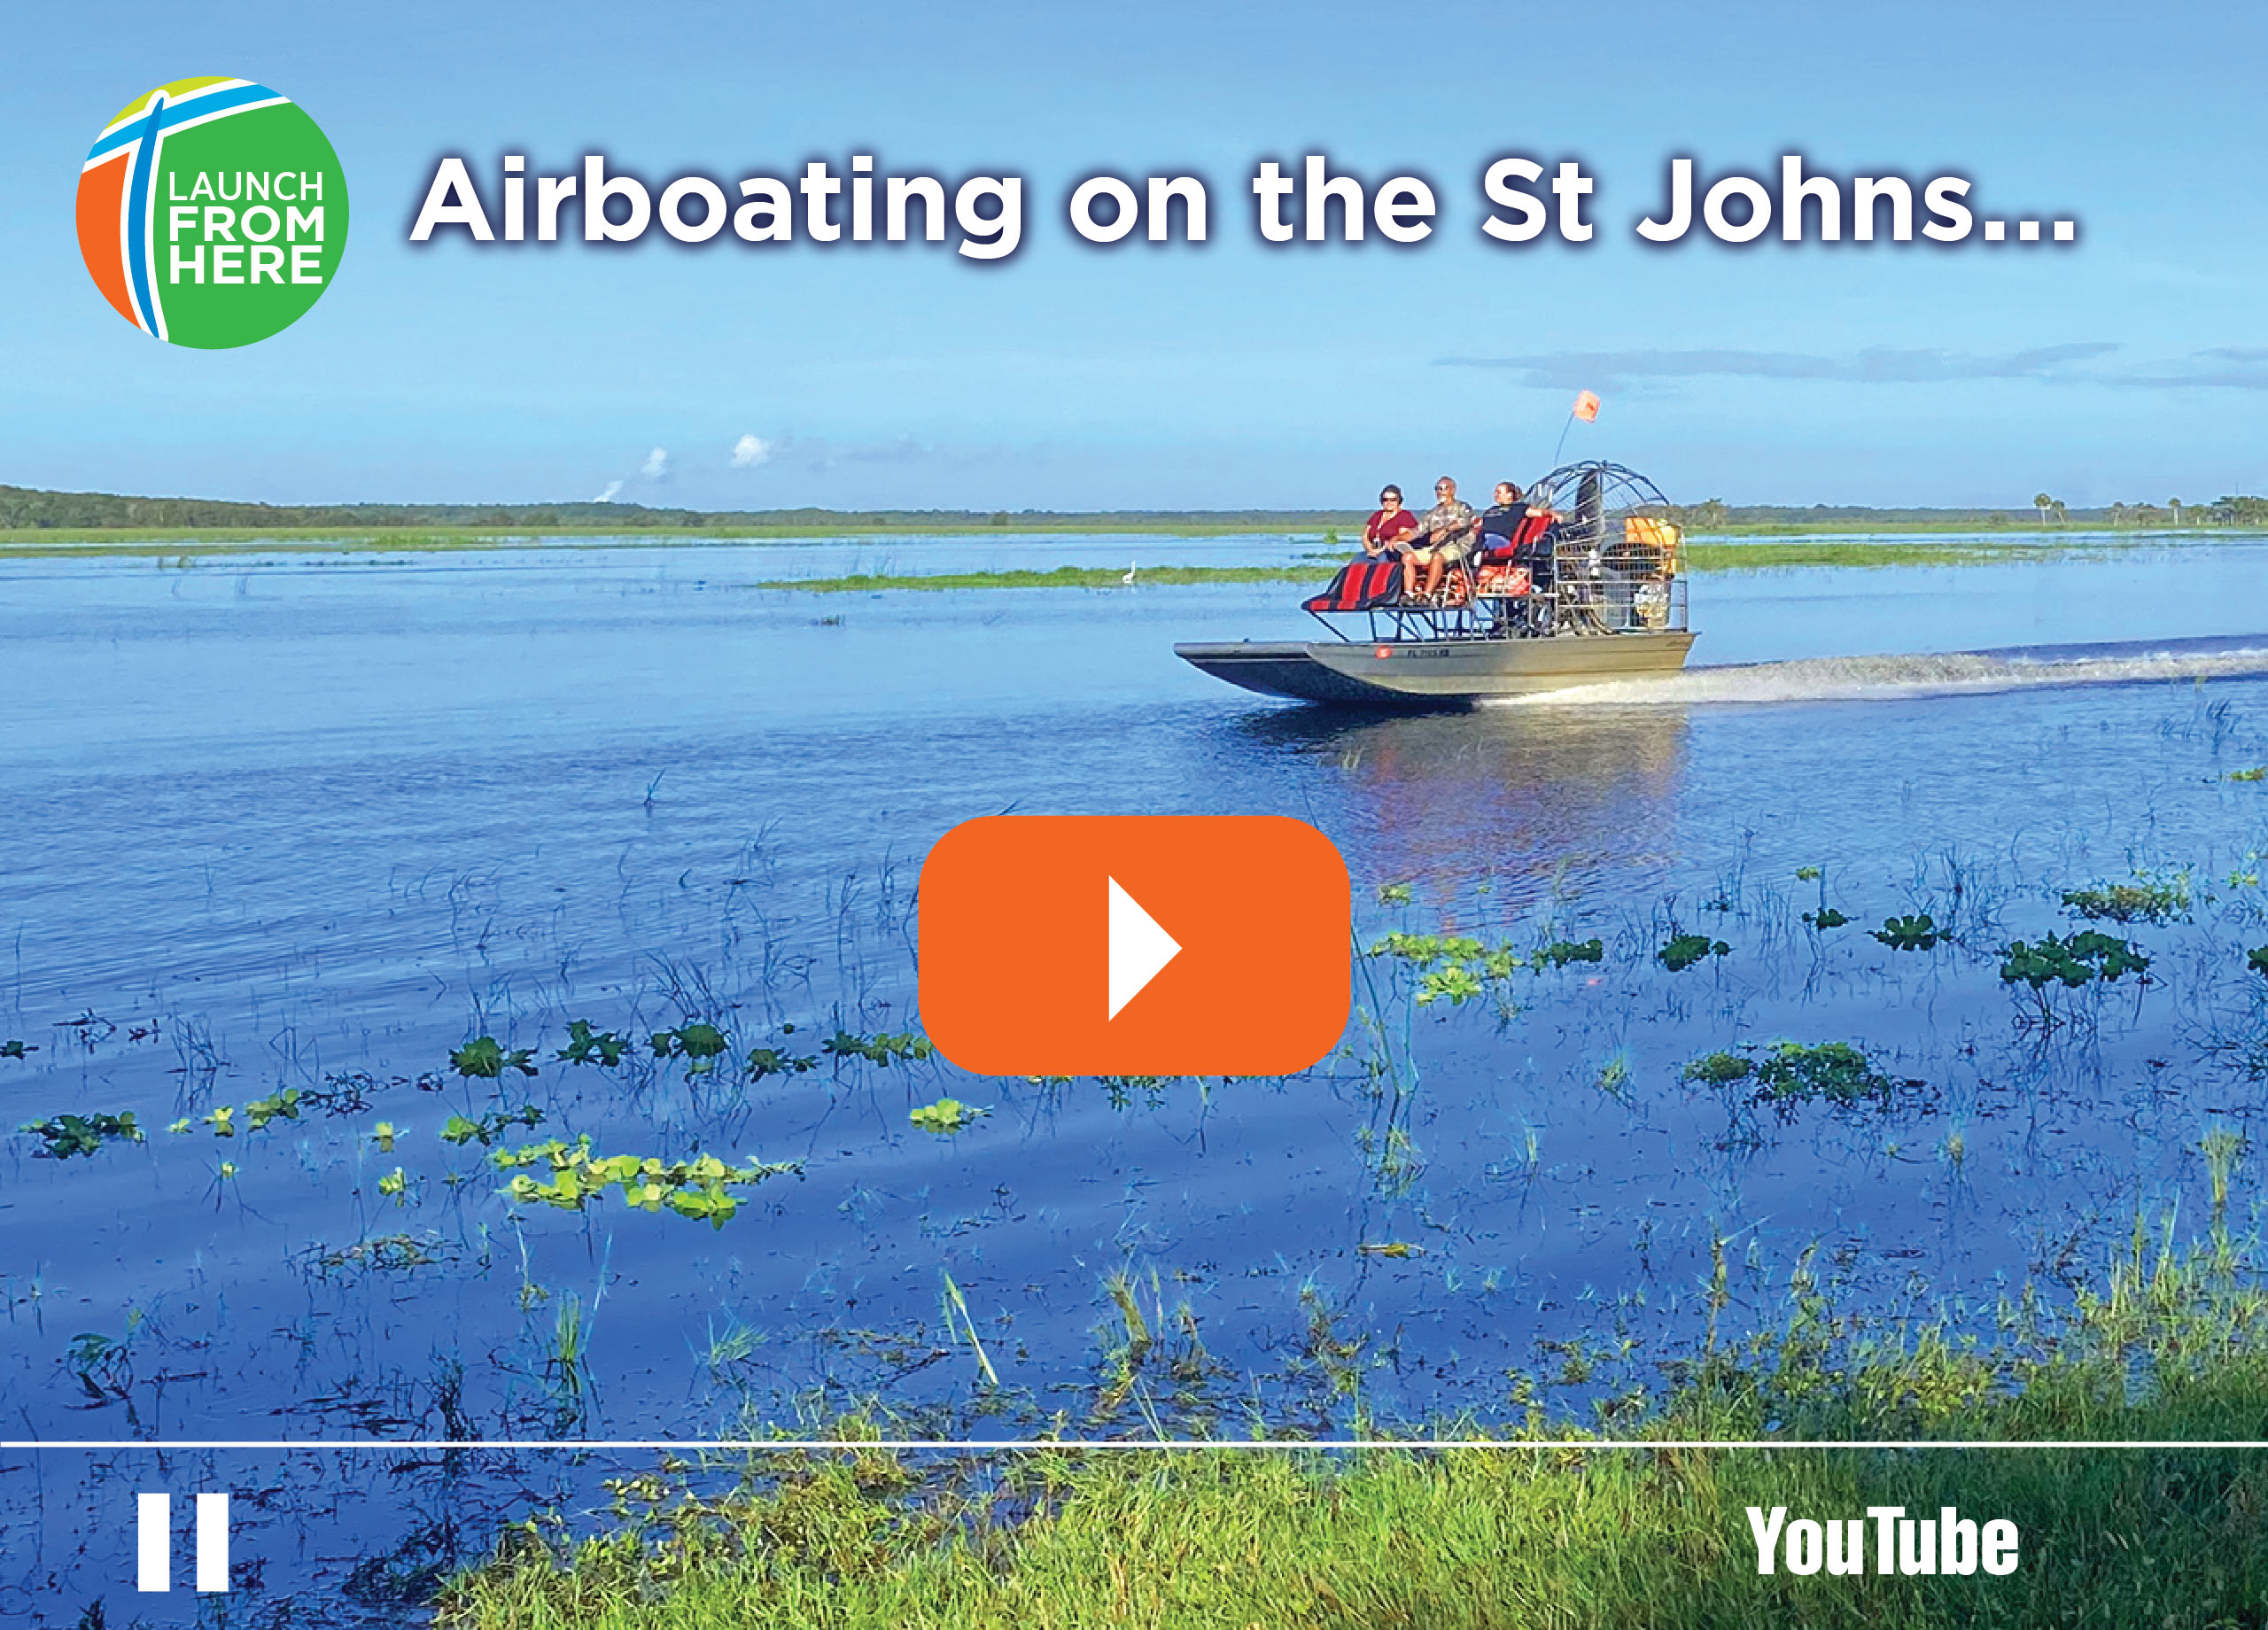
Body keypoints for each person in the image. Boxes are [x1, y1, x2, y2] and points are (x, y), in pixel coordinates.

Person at [1402, 476, 1479, 600]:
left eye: (1443, 489)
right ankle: (1409, 594)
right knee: (1408, 557)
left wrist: (1445, 530)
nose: (1440, 492)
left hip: (1458, 547)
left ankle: (1426, 594)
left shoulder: (1462, 507)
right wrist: (1397, 539)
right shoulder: (1433, 513)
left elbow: (1465, 521)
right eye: (1437, 489)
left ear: (1452, 490)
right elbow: (1417, 531)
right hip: (1436, 547)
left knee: (1437, 556)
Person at [1361, 485, 1419, 559]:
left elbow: (1402, 538)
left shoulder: (1405, 516)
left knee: (1382, 559)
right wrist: (1370, 549)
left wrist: (1381, 550)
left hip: (1393, 552)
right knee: (1358, 559)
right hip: (1373, 550)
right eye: (1386, 499)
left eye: (1393, 500)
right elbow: (1365, 536)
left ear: (1399, 501)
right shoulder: (1376, 515)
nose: (1389, 502)